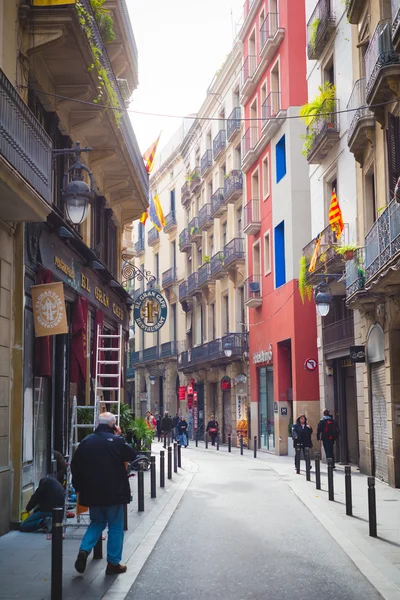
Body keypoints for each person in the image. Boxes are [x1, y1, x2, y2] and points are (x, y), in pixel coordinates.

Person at [71, 412, 136, 576]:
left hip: (92, 492)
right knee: (115, 526)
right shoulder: (117, 441)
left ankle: (84, 550)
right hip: (114, 492)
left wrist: (78, 487)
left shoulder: (86, 442)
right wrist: (119, 436)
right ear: (113, 425)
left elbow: (75, 466)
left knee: (97, 522)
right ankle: (113, 563)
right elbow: (131, 455)